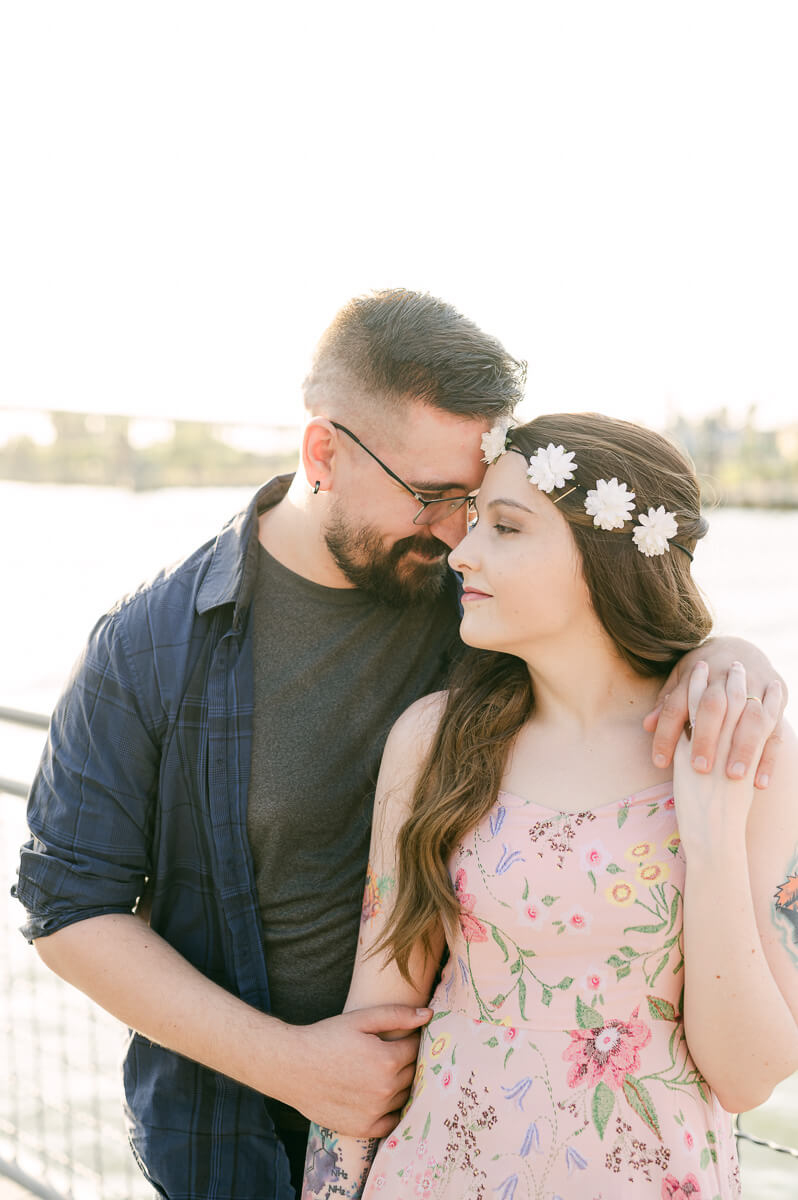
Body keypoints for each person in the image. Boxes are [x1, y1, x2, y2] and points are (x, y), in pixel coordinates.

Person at [12, 291, 786, 1200]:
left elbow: (599, 607)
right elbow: (67, 903)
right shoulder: (150, 646)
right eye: (432, 497)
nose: (457, 534)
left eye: (476, 500)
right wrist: (294, 1065)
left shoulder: (470, 600)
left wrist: (718, 657)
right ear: (323, 454)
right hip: (242, 1122)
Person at [301, 413, 798, 1200]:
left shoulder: (741, 746)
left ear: (602, 557)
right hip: (436, 1174)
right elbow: (374, 1032)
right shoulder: (433, 743)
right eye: (474, 525)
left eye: (504, 527)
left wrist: (708, 837)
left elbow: (746, 1077)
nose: (462, 552)